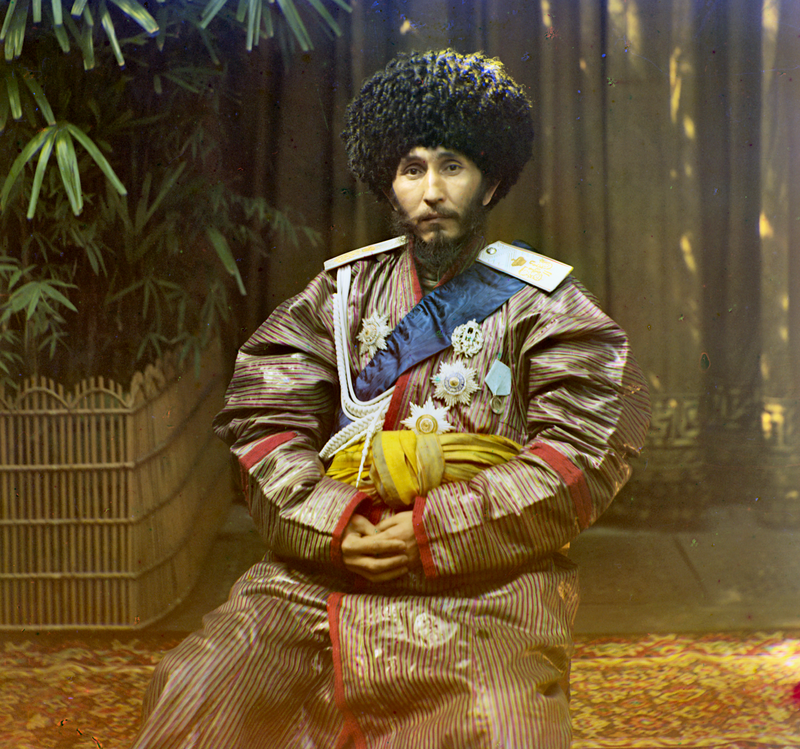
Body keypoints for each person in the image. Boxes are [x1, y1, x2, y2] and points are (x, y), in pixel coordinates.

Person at [131, 49, 651, 749]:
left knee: (505, 727)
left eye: (452, 166)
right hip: (322, 575)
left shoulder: (546, 303)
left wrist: (433, 529)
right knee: (200, 686)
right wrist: (334, 522)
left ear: (491, 183)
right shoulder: (338, 294)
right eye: (412, 169)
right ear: (390, 183)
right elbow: (264, 419)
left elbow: (581, 449)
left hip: (484, 583)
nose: (431, 190)